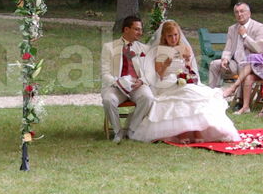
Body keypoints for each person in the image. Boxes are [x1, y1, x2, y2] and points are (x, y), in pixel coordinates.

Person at [131, 20, 239, 143]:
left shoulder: (185, 48)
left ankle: (198, 130)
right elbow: (159, 73)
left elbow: (190, 69)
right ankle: (182, 133)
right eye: (170, 36)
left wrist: (187, 64)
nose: (173, 38)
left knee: (194, 95)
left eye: (176, 35)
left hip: (182, 79)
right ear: (164, 37)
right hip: (166, 82)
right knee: (182, 97)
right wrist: (166, 63)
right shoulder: (160, 50)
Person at [100, 15, 154, 143]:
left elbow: (150, 72)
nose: (140, 33)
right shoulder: (109, 47)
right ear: (126, 30)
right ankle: (118, 132)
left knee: (148, 97)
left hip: (137, 85)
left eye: (140, 29)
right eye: (136, 29)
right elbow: (105, 73)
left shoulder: (144, 49)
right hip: (116, 87)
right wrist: (118, 82)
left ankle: (131, 129)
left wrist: (142, 81)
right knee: (108, 99)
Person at [210, 3, 263, 106]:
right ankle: (212, 95)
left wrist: (244, 35)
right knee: (214, 64)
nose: (239, 14)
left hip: (252, 65)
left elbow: (259, 49)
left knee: (243, 66)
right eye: (236, 12)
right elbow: (228, 47)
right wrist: (225, 59)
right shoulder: (232, 29)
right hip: (235, 62)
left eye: (242, 11)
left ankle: (240, 101)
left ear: (249, 13)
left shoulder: (259, 27)